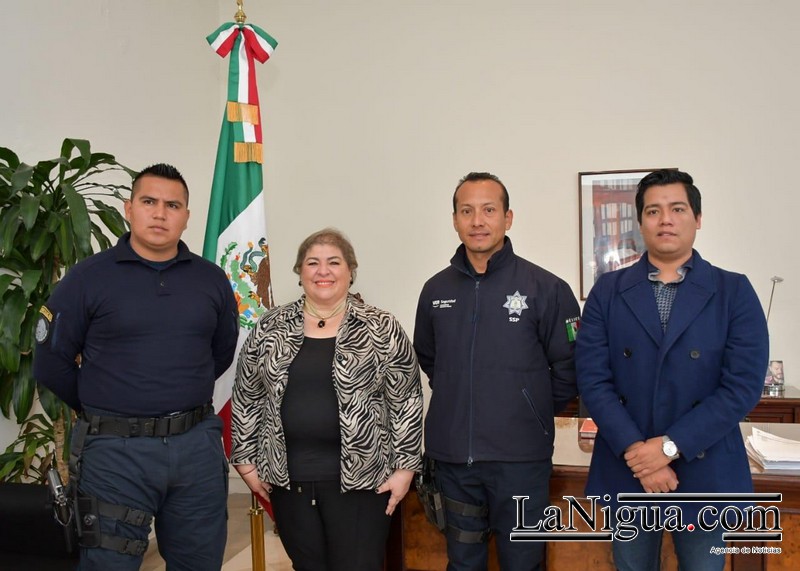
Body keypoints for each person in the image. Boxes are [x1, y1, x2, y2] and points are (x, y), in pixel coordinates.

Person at [32, 163, 239, 570]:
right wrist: (104, 406)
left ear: (186, 216)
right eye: (149, 202)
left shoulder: (211, 280)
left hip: (195, 446)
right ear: (129, 209)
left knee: (200, 562)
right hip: (115, 453)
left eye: (172, 205)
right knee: (109, 564)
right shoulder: (87, 278)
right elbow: (50, 364)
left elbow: (221, 354)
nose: (160, 213)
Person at [576, 169, 769, 570]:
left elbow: (742, 387)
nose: (665, 219)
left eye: (677, 208)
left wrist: (667, 448)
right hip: (628, 467)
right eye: (653, 210)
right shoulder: (608, 291)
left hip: (706, 466)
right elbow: (593, 379)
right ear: (640, 221)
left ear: (697, 218)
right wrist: (638, 453)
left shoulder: (734, 291)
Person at [413, 172, 581, 570]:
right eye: (467, 211)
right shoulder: (436, 291)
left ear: (508, 218)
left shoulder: (546, 287)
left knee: (524, 562)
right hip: (453, 462)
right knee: (463, 562)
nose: (477, 221)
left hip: (521, 463)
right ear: (454, 220)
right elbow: (431, 358)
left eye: (489, 210)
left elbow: (570, 366)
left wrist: (530, 407)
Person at [230, 228, 423, 571]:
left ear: (350, 271)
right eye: (313, 263)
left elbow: (406, 401)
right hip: (290, 481)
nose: (323, 271)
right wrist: (245, 461)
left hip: (365, 484)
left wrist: (405, 468)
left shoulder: (381, 327)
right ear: (300, 272)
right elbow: (247, 396)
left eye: (334, 262)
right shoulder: (270, 327)